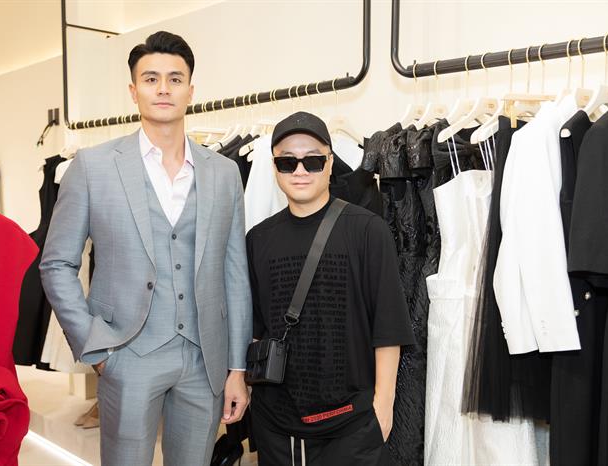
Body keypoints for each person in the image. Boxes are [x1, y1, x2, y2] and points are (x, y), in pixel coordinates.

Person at [40, 31, 252, 466]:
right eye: (151, 79)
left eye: (175, 79)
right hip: (126, 354)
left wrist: (237, 367)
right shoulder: (93, 166)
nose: (163, 89)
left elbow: (235, 274)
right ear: (133, 91)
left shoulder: (224, 172)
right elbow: (57, 263)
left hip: (204, 359)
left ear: (190, 90)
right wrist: (95, 346)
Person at [247, 111, 415, 465]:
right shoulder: (258, 239)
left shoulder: (367, 230)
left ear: (329, 163)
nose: (300, 171)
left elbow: (388, 326)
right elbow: (256, 327)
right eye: (287, 162)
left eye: (312, 160)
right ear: (274, 167)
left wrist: (384, 405)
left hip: (350, 423)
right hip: (276, 425)